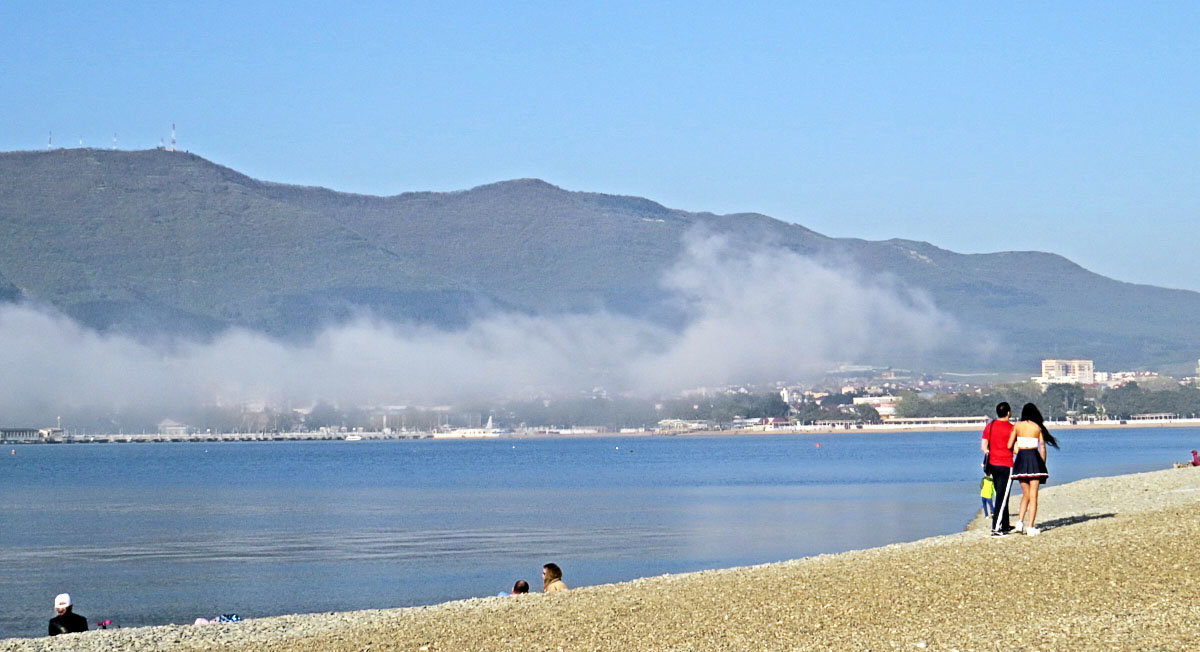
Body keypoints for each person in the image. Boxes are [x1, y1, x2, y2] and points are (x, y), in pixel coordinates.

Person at [1007, 403, 1059, 536]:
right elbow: (1042, 447)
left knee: (1026, 493)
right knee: (1033, 495)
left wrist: (1016, 450)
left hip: (1021, 460)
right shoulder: (1037, 427)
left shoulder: (1017, 426)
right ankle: (1030, 527)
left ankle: (1019, 522)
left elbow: (1009, 445)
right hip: (1034, 459)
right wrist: (1043, 464)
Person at [981, 402, 1015, 535]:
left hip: (993, 464)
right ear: (1008, 413)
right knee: (1002, 495)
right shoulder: (1012, 428)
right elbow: (1016, 448)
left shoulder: (990, 426)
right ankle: (996, 528)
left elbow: (984, 446)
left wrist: (991, 451)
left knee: (1001, 493)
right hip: (1006, 464)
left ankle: (1005, 524)